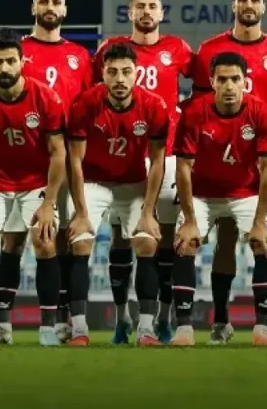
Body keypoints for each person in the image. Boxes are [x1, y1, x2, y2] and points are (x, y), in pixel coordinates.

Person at [191, 0, 267, 345]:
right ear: (233, 4)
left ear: (263, 6)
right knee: (224, 240)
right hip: (220, 158)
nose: (249, 5)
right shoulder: (209, 50)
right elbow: (200, 106)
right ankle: (221, 321)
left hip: (265, 157)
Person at [0, 0, 93, 345]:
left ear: (65, 9)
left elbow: (89, 107)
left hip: (67, 161)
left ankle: (63, 319)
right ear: (33, 7)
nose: (50, 7)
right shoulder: (17, 51)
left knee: (63, 240)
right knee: (14, 241)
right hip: (24, 162)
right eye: (43, 1)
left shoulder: (81, 56)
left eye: (56, 1)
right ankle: (3, 324)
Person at [92, 0, 193, 344]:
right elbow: (94, 95)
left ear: (161, 13)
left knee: (160, 240)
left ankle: (161, 318)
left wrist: (183, 116)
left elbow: (204, 87)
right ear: (129, 12)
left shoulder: (178, 49)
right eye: (140, 6)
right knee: (121, 238)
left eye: (153, 6)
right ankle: (122, 319)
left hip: (165, 156)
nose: (147, 12)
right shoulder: (111, 50)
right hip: (121, 157)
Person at [0, 28, 66, 346]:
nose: (4, 68)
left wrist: (49, 203)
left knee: (45, 242)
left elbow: (58, 153)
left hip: (35, 183)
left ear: (22, 61)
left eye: (10, 61)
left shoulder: (46, 97)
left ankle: (48, 329)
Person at [171, 52, 267, 346]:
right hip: (202, 194)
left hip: (245, 192)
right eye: (222, 79)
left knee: (264, 242)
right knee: (185, 242)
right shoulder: (194, 112)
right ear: (212, 82)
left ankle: (262, 327)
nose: (229, 86)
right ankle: (184, 328)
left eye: (235, 79)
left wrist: (260, 221)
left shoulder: (262, 112)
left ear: (245, 81)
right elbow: (183, 168)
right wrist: (190, 220)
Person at [66, 43, 168, 346]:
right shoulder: (85, 103)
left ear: (137, 73)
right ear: (103, 74)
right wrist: (81, 213)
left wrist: (148, 212)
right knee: (80, 241)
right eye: (112, 72)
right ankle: (79, 329)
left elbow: (157, 161)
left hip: (133, 182)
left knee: (147, 242)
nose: (120, 79)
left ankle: (146, 329)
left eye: (126, 72)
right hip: (94, 182)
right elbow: (75, 160)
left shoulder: (154, 105)